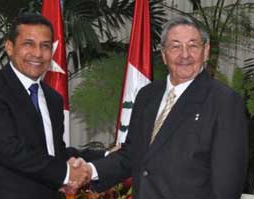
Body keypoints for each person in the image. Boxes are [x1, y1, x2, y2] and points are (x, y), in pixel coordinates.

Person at [72, 16, 248, 199]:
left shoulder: (224, 101)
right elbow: (132, 154)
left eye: (193, 46)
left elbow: (227, 183)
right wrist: (89, 170)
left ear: (206, 51)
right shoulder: (147, 95)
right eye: (175, 46)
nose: (185, 54)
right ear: (164, 54)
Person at [0, 13, 104, 199]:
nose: (38, 53)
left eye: (45, 46)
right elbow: (11, 151)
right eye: (28, 44)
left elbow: (53, 152)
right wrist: (68, 173)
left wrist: (107, 155)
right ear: (9, 47)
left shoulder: (53, 99)